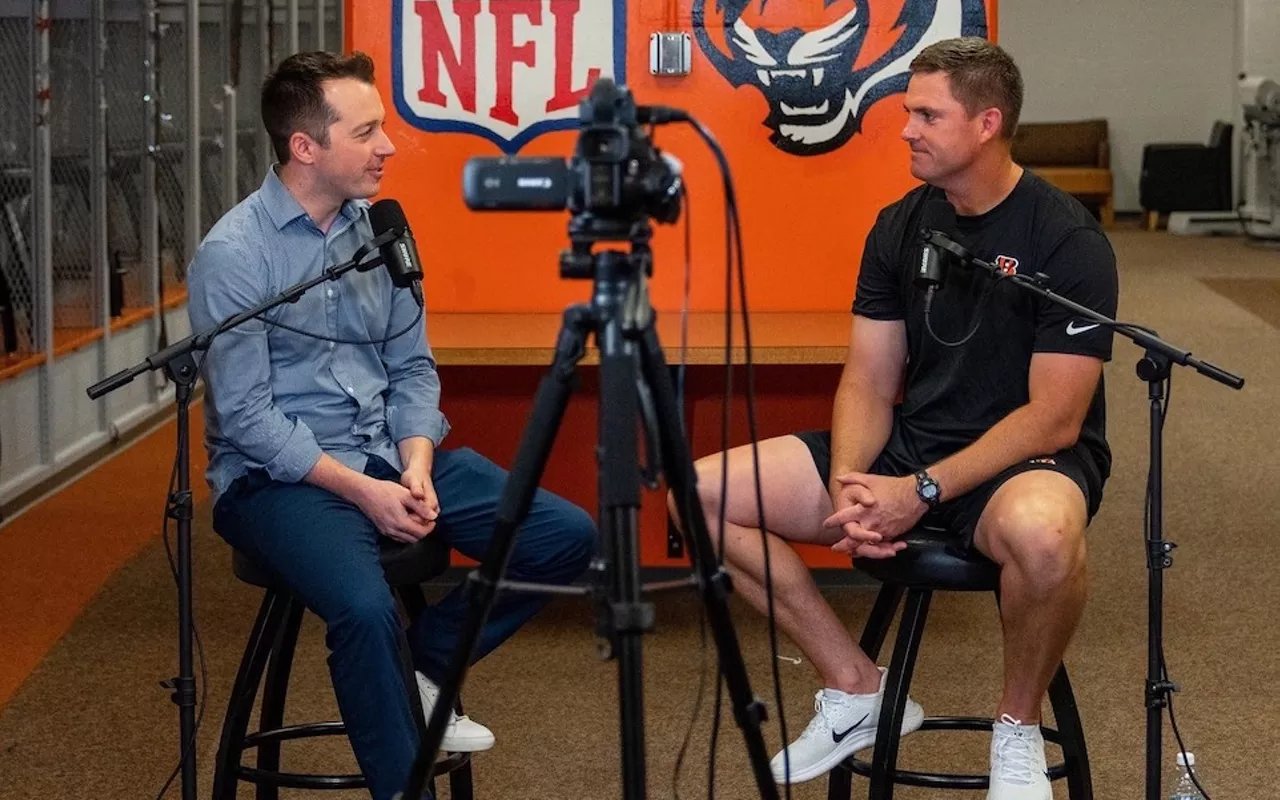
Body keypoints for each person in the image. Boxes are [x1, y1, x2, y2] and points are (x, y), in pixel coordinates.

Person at [672, 37, 1117, 800]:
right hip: (914, 450)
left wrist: (922, 491)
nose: (905, 127)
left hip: (1024, 464)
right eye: (908, 110)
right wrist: (853, 482)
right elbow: (870, 380)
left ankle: (1014, 728)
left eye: (925, 114)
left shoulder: (1066, 239)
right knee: (702, 493)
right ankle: (854, 686)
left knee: (1046, 536)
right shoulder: (900, 226)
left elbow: (1054, 418)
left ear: (986, 123)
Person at [187, 51, 597, 800]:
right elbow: (246, 417)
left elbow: (412, 367)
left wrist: (411, 463)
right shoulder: (235, 254)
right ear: (305, 147)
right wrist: (362, 492)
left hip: (387, 453)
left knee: (564, 535)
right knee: (365, 605)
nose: (388, 146)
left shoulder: (380, 235)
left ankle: (427, 664)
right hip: (280, 480)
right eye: (367, 130)